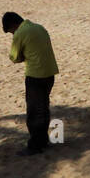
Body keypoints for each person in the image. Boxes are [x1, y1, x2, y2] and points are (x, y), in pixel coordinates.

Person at [3, 12, 59, 156]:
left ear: (13, 25)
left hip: (35, 75)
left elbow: (14, 57)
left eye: (11, 31)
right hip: (50, 72)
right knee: (43, 108)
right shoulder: (39, 27)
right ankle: (44, 140)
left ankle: (35, 145)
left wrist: (22, 55)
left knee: (34, 112)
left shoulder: (20, 33)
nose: (12, 34)